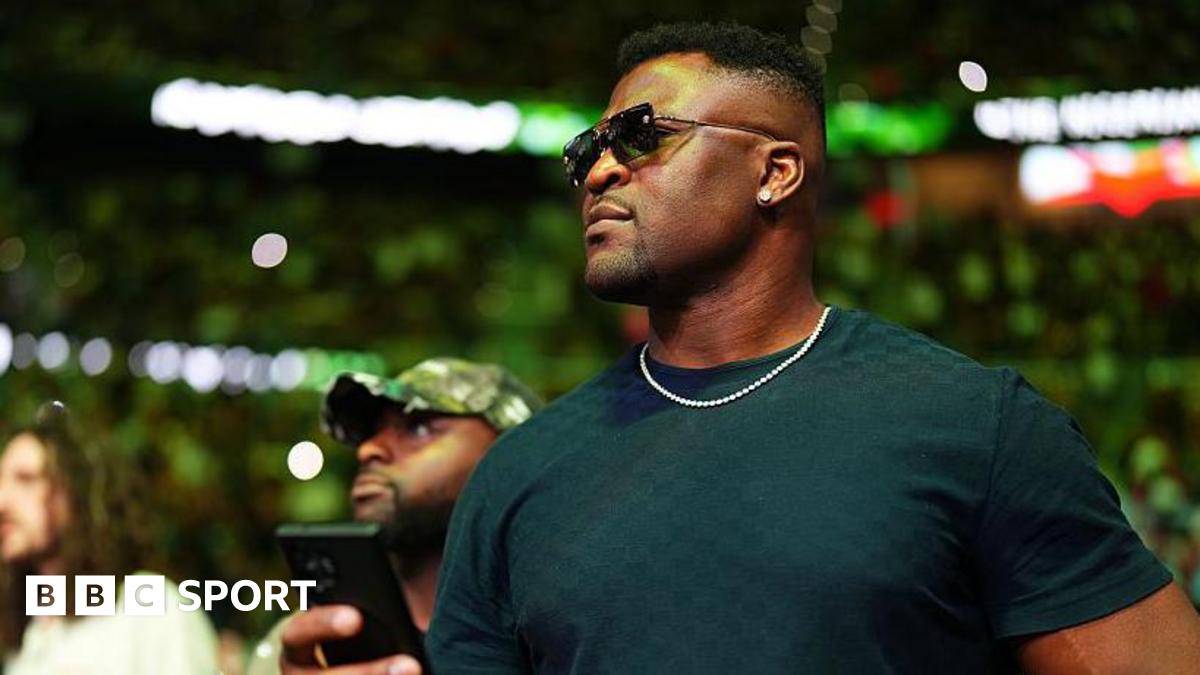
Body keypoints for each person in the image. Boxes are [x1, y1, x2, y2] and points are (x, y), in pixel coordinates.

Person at [423, 21, 1200, 674]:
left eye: (641, 136)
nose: (599, 171)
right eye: (586, 149)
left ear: (777, 172)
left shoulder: (976, 427)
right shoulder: (521, 471)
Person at [269, 358, 542, 675]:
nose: (367, 449)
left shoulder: (561, 637)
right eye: (372, 432)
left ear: (513, 450)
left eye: (420, 428)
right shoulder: (311, 644)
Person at [0, 404, 220, 674]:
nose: (2, 502)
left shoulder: (148, 606)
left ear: (76, 490)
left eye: (26, 479)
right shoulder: (28, 628)